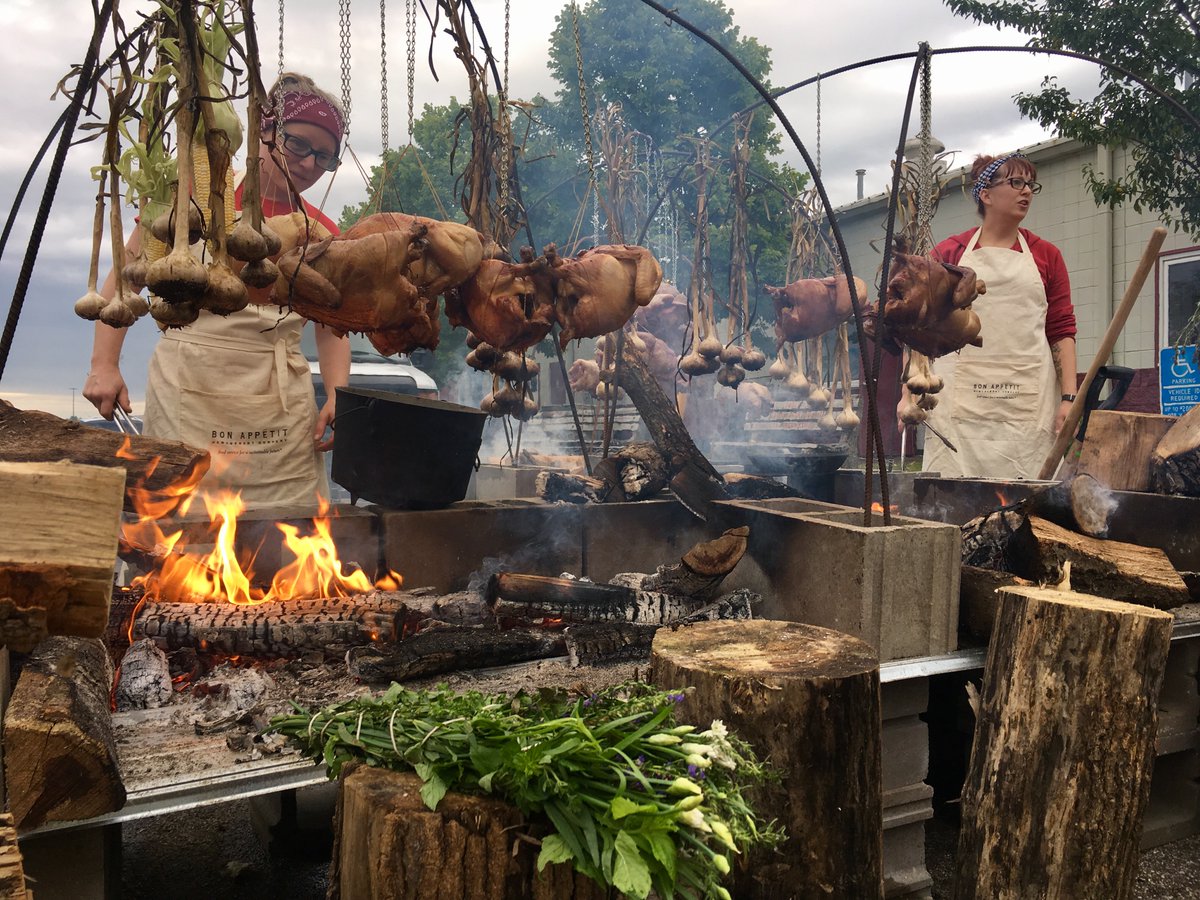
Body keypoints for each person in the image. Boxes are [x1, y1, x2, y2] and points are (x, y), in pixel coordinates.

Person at [84, 73, 351, 507]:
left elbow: (330, 325)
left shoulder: (320, 232)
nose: (308, 163)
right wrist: (103, 365)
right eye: (298, 144)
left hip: (279, 410)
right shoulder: (198, 199)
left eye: (324, 156)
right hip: (189, 390)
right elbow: (127, 274)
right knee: (181, 529)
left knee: (288, 541)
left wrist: (339, 393)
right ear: (264, 132)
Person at [909, 152, 1078, 479]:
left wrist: (1070, 399)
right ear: (985, 194)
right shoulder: (948, 254)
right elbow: (920, 326)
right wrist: (909, 392)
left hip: (1026, 406)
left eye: (1030, 184)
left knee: (1026, 506)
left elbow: (1061, 330)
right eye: (1016, 182)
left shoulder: (1047, 256)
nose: (1026, 191)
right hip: (959, 411)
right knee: (950, 499)